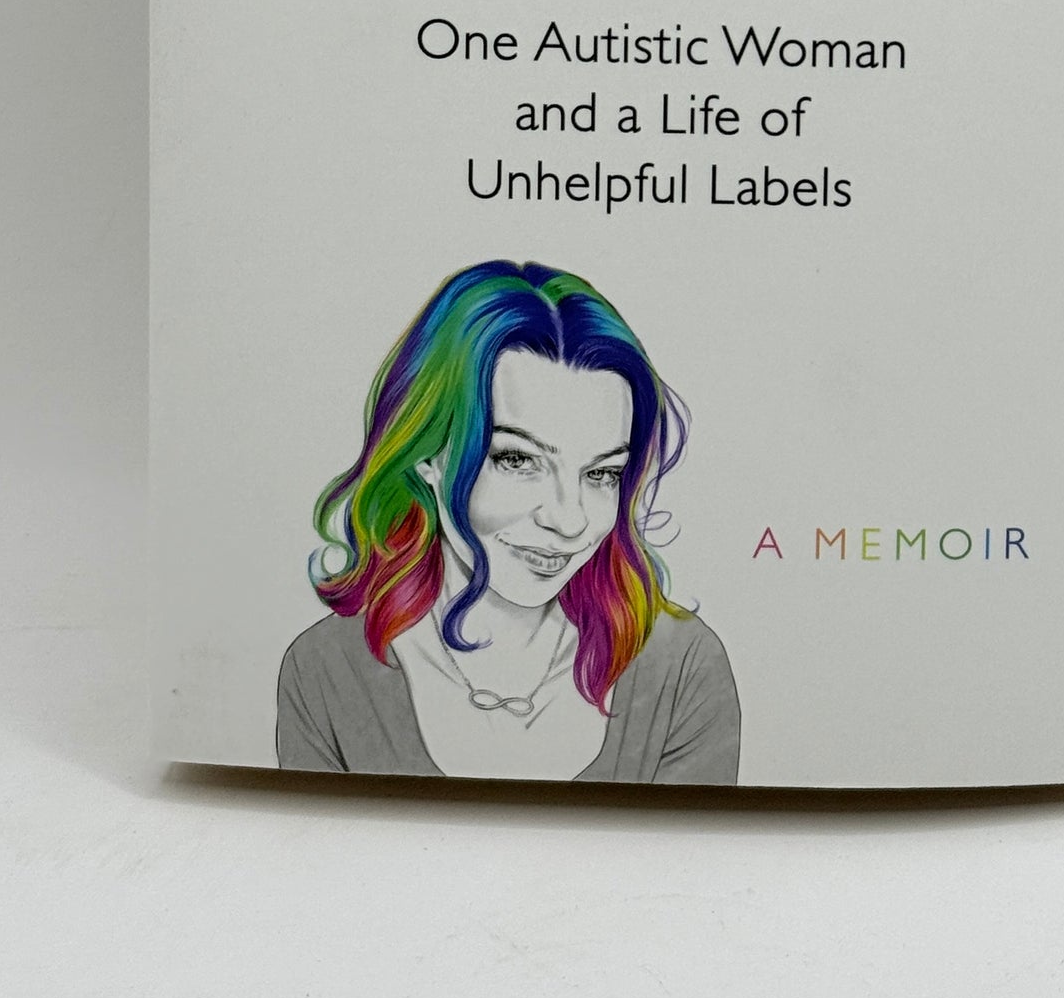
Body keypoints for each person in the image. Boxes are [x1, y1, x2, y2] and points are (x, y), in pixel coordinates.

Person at [277, 260, 740, 782]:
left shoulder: (680, 667)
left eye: (602, 473)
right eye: (518, 460)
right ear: (427, 453)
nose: (569, 520)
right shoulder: (326, 671)